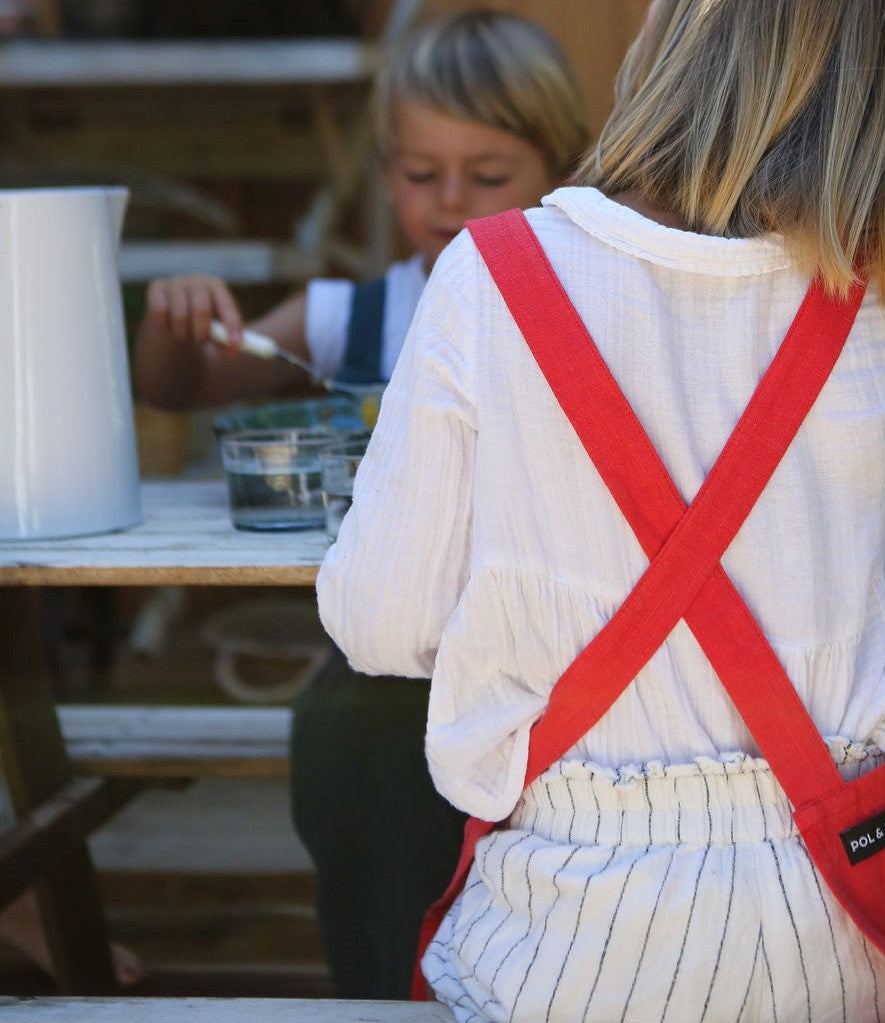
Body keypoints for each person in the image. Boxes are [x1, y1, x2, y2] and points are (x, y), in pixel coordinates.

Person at [316, 1, 885, 1020]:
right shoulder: (867, 300)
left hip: (567, 945)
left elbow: (377, 625)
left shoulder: (485, 279)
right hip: (852, 934)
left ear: (671, 48)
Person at [132, 11, 588, 999]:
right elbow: (178, 389)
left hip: (558, 667)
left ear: (565, 166)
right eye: (419, 175)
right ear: (384, 170)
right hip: (395, 676)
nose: (450, 201)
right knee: (348, 747)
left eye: (488, 173)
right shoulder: (358, 315)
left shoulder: (595, 312)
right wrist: (176, 322)